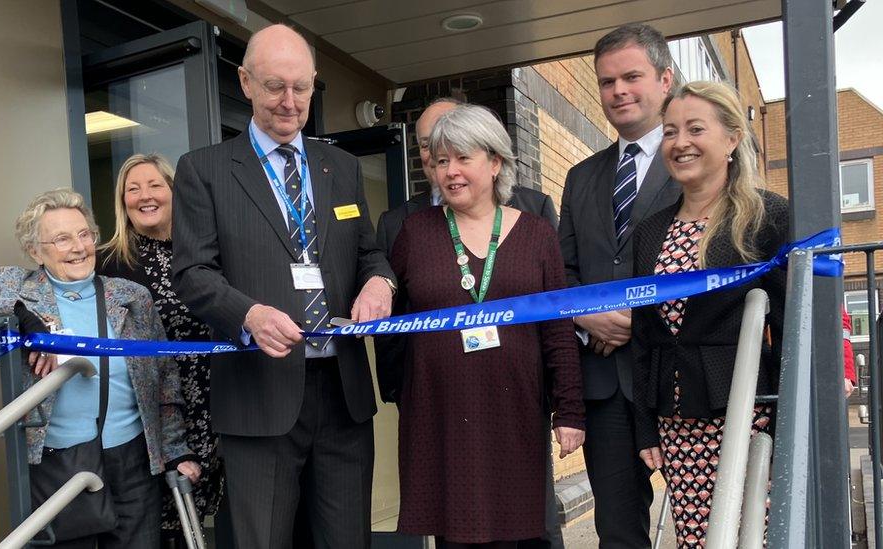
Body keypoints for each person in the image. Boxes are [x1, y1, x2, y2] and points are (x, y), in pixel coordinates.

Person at [170, 24, 395, 548]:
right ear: (245, 82)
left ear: (314, 84)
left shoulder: (340, 166)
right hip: (258, 393)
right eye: (274, 87)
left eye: (301, 87)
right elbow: (192, 273)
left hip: (343, 395)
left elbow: (369, 252)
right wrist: (247, 315)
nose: (289, 102)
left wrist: (380, 283)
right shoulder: (203, 171)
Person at [0, 188, 200, 548]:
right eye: (62, 239)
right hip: (59, 461)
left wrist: (175, 449)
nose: (79, 247)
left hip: (132, 457)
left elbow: (164, 378)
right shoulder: (19, 287)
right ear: (36, 250)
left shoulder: (131, 296)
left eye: (84, 235)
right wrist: (18, 312)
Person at [389, 103, 585, 548]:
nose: (450, 172)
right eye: (441, 161)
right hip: (439, 417)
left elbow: (558, 330)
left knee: (518, 536)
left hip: (514, 415)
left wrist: (569, 410)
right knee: (454, 538)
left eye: (463, 158)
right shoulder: (415, 233)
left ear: (495, 162)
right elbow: (389, 313)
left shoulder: (537, 235)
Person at [631, 80, 789, 547]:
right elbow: (644, 335)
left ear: (733, 138)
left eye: (695, 129)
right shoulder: (650, 230)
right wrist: (645, 425)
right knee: (697, 537)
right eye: (671, 131)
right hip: (676, 420)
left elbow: (787, 324)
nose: (680, 143)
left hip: (749, 414)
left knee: (752, 537)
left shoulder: (766, 215)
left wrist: (787, 423)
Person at [557, 23, 680, 548]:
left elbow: (719, 265)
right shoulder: (581, 177)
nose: (618, 92)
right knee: (619, 532)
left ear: (665, 79)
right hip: (605, 386)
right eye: (607, 82)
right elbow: (561, 273)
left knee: (707, 517)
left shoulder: (698, 159)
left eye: (632, 77)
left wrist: (641, 319)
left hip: (679, 378)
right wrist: (587, 315)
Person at [97, 153, 225, 547]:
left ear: (175, 191)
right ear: (123, 202)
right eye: (132, 189)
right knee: (160, 522)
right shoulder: (107, 263)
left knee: (212, 510)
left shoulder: (211, 253)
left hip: (219, 399)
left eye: (155, 185)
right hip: (152, 410)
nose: (144, 196)